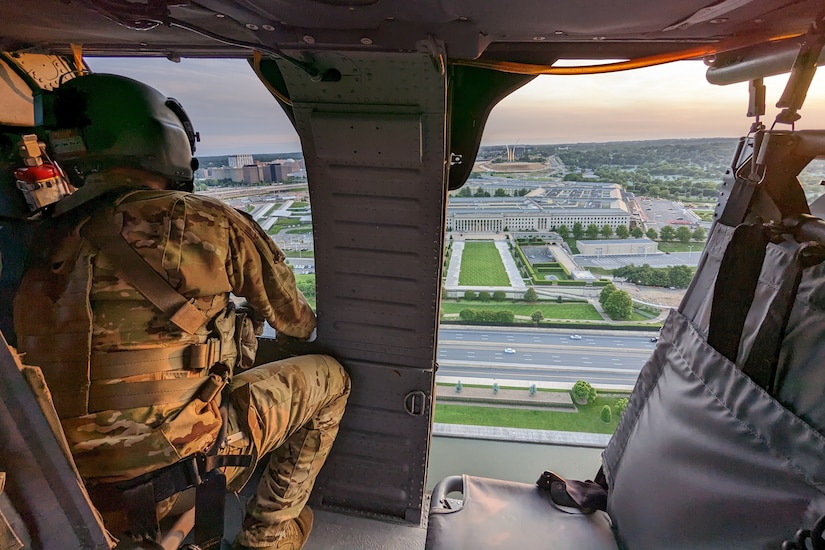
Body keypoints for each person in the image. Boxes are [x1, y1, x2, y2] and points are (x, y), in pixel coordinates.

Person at [11, 73, 350, 550]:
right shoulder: (204, 221)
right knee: (332, 379)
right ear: (164, 142)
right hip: (178, 477)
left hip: (63, 490)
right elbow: (295, 320)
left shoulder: (36, 237)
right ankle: (268, 537)